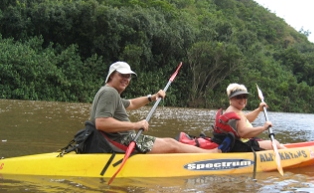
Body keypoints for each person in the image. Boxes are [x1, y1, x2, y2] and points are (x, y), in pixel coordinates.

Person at [90, 61, 222, 154]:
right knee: (172, 144)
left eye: (128, 76)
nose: (126, 79)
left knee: (169, 141)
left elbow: (131, 104)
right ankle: (211, 155)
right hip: (122, 141)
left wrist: (152, 97)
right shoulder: (109, 92)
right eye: (122, 75)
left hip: (120, 140)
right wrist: (135, 125)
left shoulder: (109, 93)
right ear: (112, 75)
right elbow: (101, 123)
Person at [216, 83, 286, 151]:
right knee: (276, 144)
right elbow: (243, 133)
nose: (242, 100)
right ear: (231, 99)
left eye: (244, 97)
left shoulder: (231, 109)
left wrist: (259, 110)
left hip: (239, 143)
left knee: (278, 144)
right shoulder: (237, 113)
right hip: (243, 145)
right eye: (238, 97)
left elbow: (246, 119)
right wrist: (263, 128)